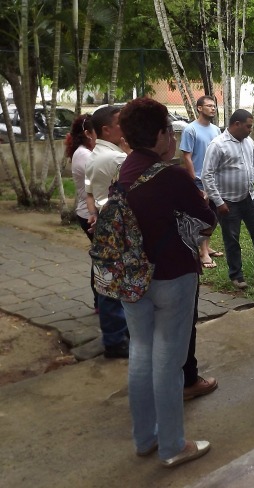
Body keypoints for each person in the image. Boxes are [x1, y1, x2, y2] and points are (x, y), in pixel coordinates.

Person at [118, 98, 216, 467]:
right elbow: (206, 220)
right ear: (160, 135)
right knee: (169, 361)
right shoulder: (171, 174)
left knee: (141, 353)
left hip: (132, 277)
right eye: (170, 132)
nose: (173, 139)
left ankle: (145, 439)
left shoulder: (124, 172)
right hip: (172, 276)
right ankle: (174, 446)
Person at [203, 109, 254, 290]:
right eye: (248, 126)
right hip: (228, 202)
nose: (251, 130)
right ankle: (236, 276)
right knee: (232, 239)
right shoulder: (217, 145)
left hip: (250, 197)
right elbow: (206, 175)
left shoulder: (248, 142)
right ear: (236, 124)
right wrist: (218, 202)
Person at [85, 105, 130, 358]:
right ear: (107, 129)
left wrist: (94, 214)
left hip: (104, 222)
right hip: (117, 227)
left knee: (106, 280)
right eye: (121, 122)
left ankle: (115, 336)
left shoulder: (93, 155)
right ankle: (116, 340)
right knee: (114, 283)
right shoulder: (117, 159)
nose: (126, 126)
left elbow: (89, 191)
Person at [180, 95, 223, 268]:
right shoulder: (190, 130)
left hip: (215, 180)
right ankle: (203, 253)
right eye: (209, 106)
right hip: (199, 181)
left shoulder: (216, 130)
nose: (213, 109)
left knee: (213, 215)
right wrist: (194, 181)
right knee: (203, 217)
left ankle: (206, 246)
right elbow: (187, 157)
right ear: (199, 108)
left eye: (214, 106)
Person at [66, 114, 98, 312]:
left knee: (100, 257)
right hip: (89, 214)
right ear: (87, 133)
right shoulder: (85, 155)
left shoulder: (83, 152)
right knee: (102, 258)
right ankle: (101, 302)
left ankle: (100, 301)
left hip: (87, 212)